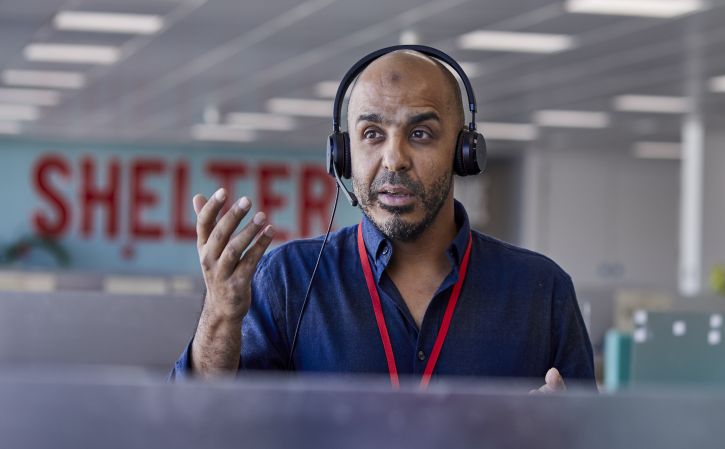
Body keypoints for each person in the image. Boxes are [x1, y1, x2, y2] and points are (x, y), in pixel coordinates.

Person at [170, 47, 595, 392]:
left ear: (464, 151)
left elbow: (593, 437)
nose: (394, 158)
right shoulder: (288, 281)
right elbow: (199, 425)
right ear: (343, 153)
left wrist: (566, 435)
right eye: (372, 134)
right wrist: (221, 315)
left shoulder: (541, 291)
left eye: (421, 133)